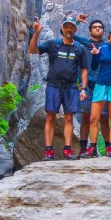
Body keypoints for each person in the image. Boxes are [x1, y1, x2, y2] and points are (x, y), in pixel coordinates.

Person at [28, 17, 88, 160]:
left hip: (72, 87)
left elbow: (84, 69)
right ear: (62, 28)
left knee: (69, 117)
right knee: (50, 116)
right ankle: (49, 151)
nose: (69, 29)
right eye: (66, 26)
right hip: (54, 85)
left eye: (71, 27)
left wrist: (83, 88)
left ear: (75, 30)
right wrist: (35, 33)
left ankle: (67, 150)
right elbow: (33, 50)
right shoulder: (53, 44)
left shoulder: (80, 48)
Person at [74, 13, 111, 156]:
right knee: (88, 117)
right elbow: (70, 35)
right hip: (91, 85)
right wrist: (76, 22)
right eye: (95, 27)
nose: (98, 29)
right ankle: (87, 148)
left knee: (108, 117)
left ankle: (109, 147)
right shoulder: (87, 44)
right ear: (90, 30)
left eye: (100, 27)